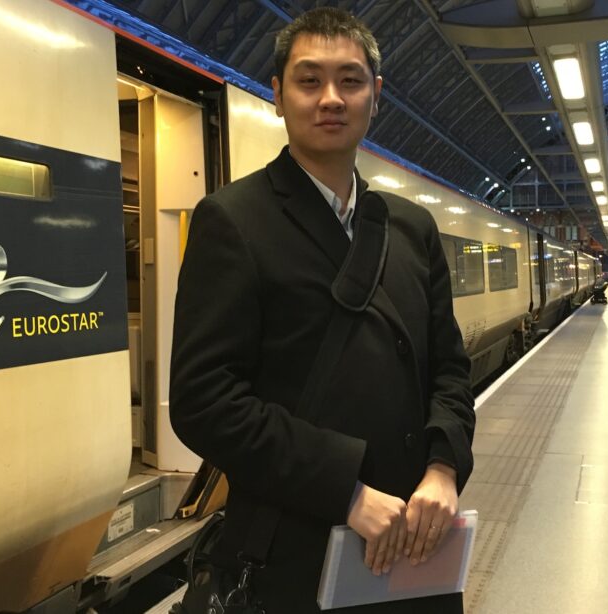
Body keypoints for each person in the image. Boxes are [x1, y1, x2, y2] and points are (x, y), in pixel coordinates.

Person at [170, 8, 475, 613]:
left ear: (376, 95)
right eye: (309, 81)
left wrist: (443, 467)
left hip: (417, 545)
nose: (331, 98)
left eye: (351, 80)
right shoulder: (234, 220)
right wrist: (348, 491)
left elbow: (449, 370)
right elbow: (204, 401)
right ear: (278, 95)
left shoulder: (409, 227)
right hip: (296, 554)